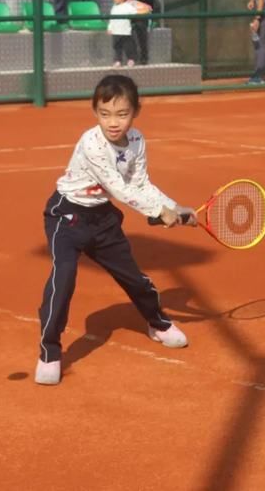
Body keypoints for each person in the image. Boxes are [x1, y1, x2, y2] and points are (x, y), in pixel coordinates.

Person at [34, 75, 196, 386]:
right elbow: (119, 188)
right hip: (67, 216)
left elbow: (141, 184)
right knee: (63, 277)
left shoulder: (136, 141)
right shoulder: (91, 142)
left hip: (103, 219)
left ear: (136, 112)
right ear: (94, 111)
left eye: (122, 114)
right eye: (105, 113)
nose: (113, 122)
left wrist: (174, 207)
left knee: (134, 276)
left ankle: (158, 324)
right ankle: (49, 352)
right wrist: (158, 212)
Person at [108, 0, 150, 67]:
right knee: (117, 47)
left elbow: (136, 12)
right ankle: (118, 61)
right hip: (116, 32)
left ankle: (131, 59)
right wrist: (110, 28)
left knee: (129, 47)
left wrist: (146, 9)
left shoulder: (127, 6)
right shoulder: (113, 7)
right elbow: (111, 19)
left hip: (126, 32)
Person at [126, 0, 157, 65]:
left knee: (140, 26)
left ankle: (144, 56)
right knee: (125, 27)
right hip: (128, 11)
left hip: (143, 13)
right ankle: (131, 57)